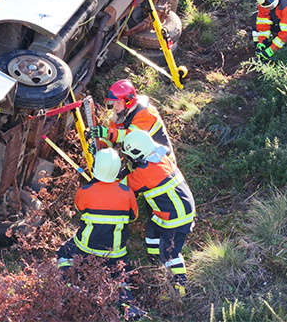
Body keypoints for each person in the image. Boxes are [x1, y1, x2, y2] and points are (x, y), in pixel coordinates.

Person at [56, 148, 142, 318]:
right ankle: (127, 306)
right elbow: (133, 216)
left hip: (85, 248)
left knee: (63, 253)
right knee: (121, 275)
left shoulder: (84, 191)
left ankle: (69, 285)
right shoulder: (127, 193)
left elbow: (79, 209)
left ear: (95, 168)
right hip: (115, 251)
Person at [121, 130, 195, 299]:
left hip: (176, 218)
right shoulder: (159, 158)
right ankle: (154, 261)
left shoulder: (144, 175)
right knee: (152, 231)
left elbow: (123, 187)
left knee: (170, 252)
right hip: (175, 210)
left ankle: (179, 288)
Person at [90, 79, 175, 163]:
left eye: (118, 102)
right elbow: (111, 139)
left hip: (162, 161)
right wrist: (100, 145)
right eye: (113, 103)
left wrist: (106, 133)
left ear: (128, 101)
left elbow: (131, 137)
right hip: (143, 159)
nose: (114, 106)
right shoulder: (121, 113)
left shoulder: (146, 113)